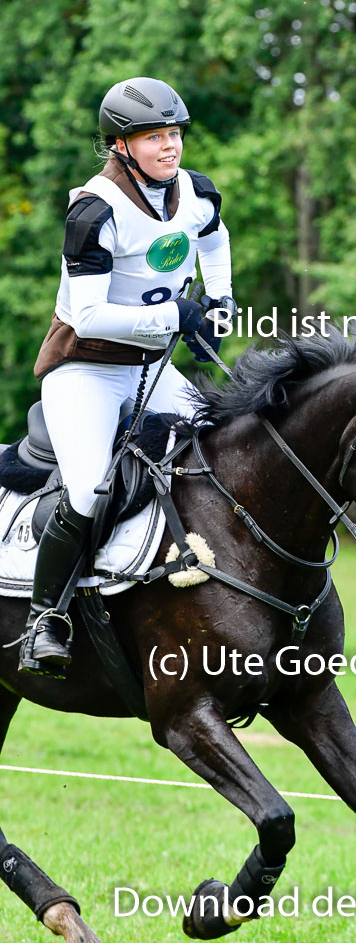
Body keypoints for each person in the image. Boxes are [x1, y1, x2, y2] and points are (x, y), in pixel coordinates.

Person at [19, 76, 235, 678]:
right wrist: (176, 315)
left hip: (152, 368)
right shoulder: (95, 211)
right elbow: (88, 315)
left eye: (175, 134)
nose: (170, 146)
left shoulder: (196, 192)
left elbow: (214, 242)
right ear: (121, 145)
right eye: (154, 137)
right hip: (85, 370)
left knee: (221, 451)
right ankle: (45, 619)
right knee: (89, 490)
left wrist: (220, 303)